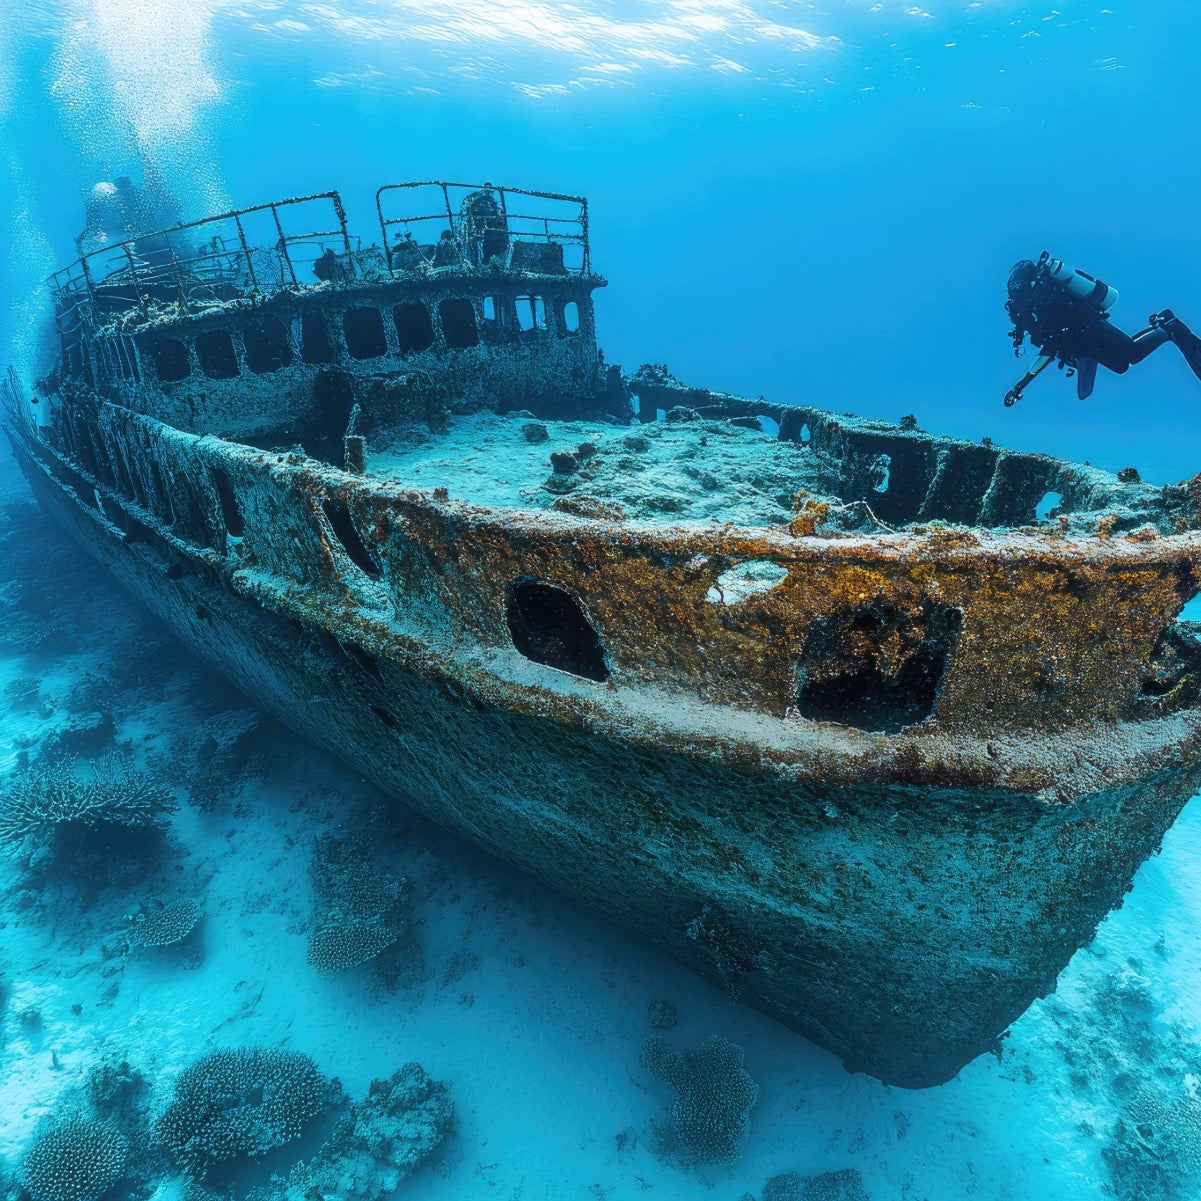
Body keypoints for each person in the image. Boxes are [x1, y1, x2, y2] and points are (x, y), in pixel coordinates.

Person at [1003, 251, 1201, 406]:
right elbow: (1050, 346)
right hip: (1082, 342)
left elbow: (1049, 348)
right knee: (1121, 366)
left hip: (1091, 326)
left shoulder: (1046, 303)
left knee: (1132, 353)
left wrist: (1021, 385)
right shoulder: (1039, 312)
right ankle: (1160, 327)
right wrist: (1021, 385)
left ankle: (1167, 326)